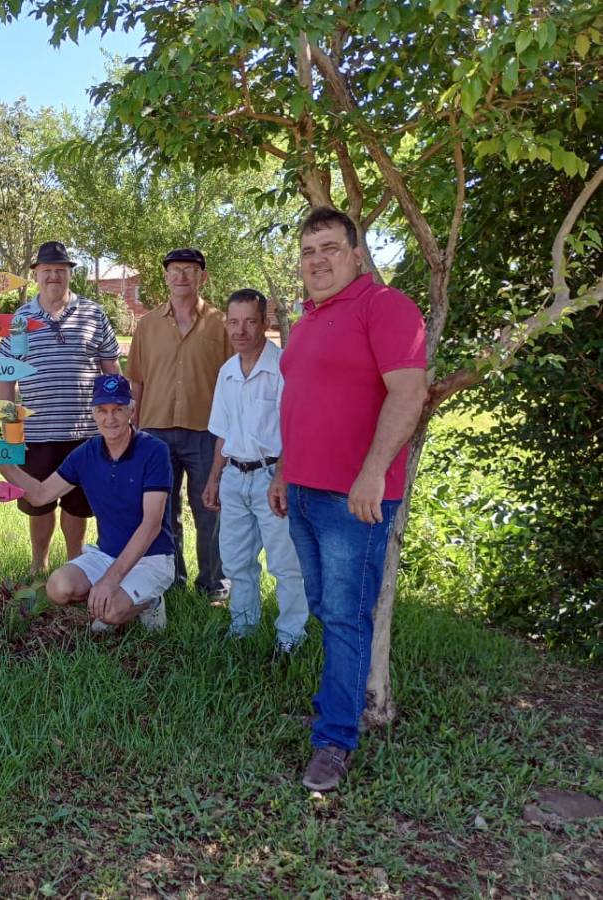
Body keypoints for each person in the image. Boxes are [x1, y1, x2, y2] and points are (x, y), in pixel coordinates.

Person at [268, 207, 428, 792]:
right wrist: (285, 472)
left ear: (357, 254)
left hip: (353, 501)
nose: (318, 261)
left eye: (330, 248)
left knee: (344, 616)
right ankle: (334, 704)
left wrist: (373, 473)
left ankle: (335, 739)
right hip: (305, 494)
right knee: (325, 608)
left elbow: (409, 394)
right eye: (309, 252)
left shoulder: (383, 306)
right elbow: (300, 405)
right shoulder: (308, 321)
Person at [0, 374, 174, 631]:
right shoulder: (87, 453)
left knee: (110, 613)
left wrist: (110, 581)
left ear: (131, 411)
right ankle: (111, 598)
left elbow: (151, 525)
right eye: (102, 410)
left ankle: (150, 602)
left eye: (118, 410)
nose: (109, 418)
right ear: (93, 413)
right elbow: (40, 495)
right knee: (58, 587)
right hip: (105, 554)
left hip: (151, 558)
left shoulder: (154, 451)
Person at [0, 240, 121, 573]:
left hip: (85, 433)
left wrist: (117, 423)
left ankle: (75, 564)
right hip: (36, 432)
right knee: (39, 504)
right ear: (36, 274)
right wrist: (11, 429)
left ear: (69, 275)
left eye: (60, 270)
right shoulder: (20, 320)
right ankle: (39, 565)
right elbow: (6, 379)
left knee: (78, 505)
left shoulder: (93, 313)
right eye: (47, 270)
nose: (54, 276)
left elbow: (112, 371)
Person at [202, 289, 307, 654]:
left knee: (284, 563)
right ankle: (243, 627)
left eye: (249, 321)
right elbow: (222, 432)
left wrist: (281, 477)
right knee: (236, 561)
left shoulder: (283, 367)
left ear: (265, 322)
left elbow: (296, 429)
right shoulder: (227, 372)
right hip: (234, 477)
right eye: (233, 322)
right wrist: (214, 478)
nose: (241, 329)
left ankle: (291, 636)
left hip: (271, 478)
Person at [126, 248, 231, 600]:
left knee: (210, 509)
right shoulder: (148, 324)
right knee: (161, 511)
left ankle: (214, 585)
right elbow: (136, 380)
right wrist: (132, 429)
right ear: (166, 277)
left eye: (189, 270)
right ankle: (170, 580)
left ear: (203, 276)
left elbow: (234, 380)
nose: (181, 276)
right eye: (174, 270)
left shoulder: (221, 323)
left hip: (207, 431)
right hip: (154, 432)